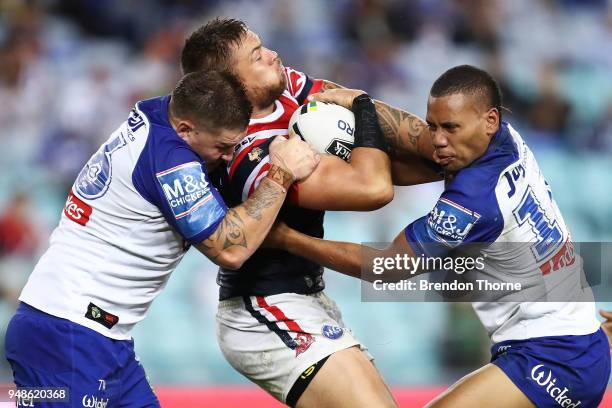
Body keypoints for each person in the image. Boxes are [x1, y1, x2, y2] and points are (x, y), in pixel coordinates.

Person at [266, 65, 611, 407]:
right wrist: (363, 105)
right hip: (573, 342)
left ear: (489, 120)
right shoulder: (506, 138)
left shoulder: (474, 201)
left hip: (554, 358)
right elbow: (415, 147)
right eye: (434, 126)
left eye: (450, 128)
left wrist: (287, 238)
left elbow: (385, 267)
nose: (439, 140)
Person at [4, 70, 319, 407]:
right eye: (222, 147)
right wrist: (280, 174)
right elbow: (231, 249)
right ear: (185, 129)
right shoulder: (169, 161)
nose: (228, 157)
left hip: (101, 337)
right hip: (67, 334)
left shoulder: (161, 112)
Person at [180, 18, 442, 407]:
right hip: (263, 306)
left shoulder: (288, 89)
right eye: (257, 57)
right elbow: (373, 188)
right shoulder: (249, 154)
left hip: (308, 296)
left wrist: (447, 150)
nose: (273, 55)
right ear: (231, 84)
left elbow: (418, 151)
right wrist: (363, 107)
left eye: (264, 46)